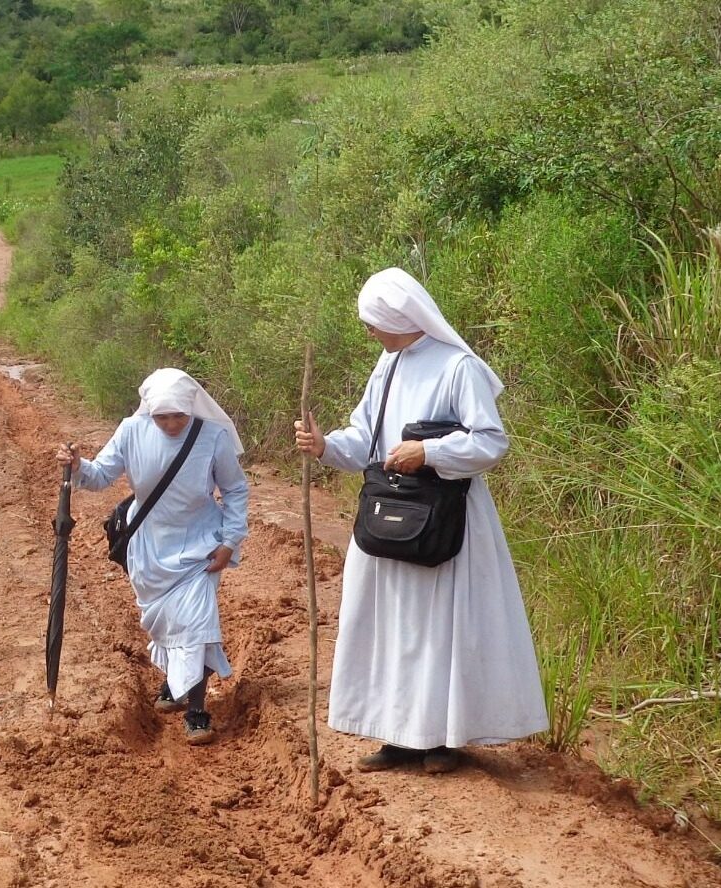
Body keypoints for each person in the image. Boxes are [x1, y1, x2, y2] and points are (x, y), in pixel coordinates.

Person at [294, 267, 548, 773]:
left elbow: (490, 442)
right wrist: (324, 447)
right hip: (391, 513)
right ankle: (398, 736)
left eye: (373, 322)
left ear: (398, 316)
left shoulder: (459, 368)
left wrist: (428, 452)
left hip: (446, 520)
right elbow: (364, 439)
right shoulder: (385, 368)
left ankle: (440, 740)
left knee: (438, 627)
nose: (369, 332)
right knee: (390, 623)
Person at [58, 369, 250, 745]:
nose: (172, 424)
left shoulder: (212, 436)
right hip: (148, 546)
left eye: (179, 415)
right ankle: (172, 683)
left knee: (197, 625)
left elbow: (235, 490)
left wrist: (230, 541)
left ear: (191, 409)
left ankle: (196, 711)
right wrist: (78, 465)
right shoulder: (132, 430)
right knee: (164, 623)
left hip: (200, 544)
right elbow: (99, 477)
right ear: (149, 412)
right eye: (162, 417)